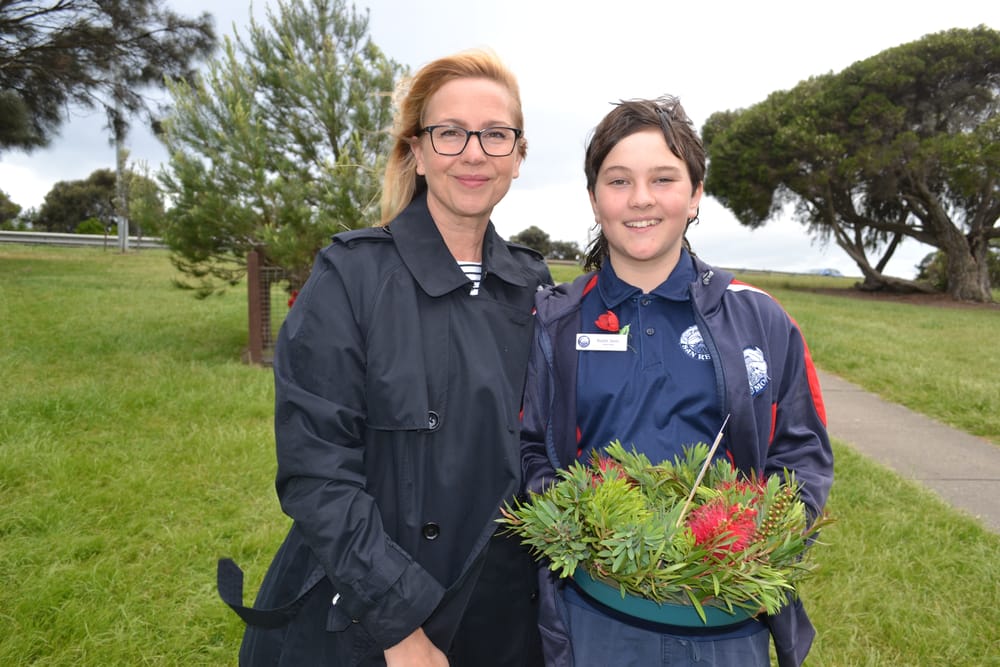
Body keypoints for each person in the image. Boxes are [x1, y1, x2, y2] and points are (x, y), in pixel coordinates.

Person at [217, 48, 551, 666]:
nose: (473, 153)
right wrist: (400, 629)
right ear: (417, 152)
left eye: (495, 134)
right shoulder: (352, 276)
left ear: (518, 155)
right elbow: (317, 471)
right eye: (449, 133)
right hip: (368, 617)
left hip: (503, 620)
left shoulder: (536, 290)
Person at [519, 96, 834, 667]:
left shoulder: (761, 318)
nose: (641, 198)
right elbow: (529, 449)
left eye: (663, 179)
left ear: (694, 196)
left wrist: (751, 541)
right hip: (595, 624)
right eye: (619, 181)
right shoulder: (556, 321)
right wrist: (584, 522)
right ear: (595, 199)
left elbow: (803, 454)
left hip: (726, 626)